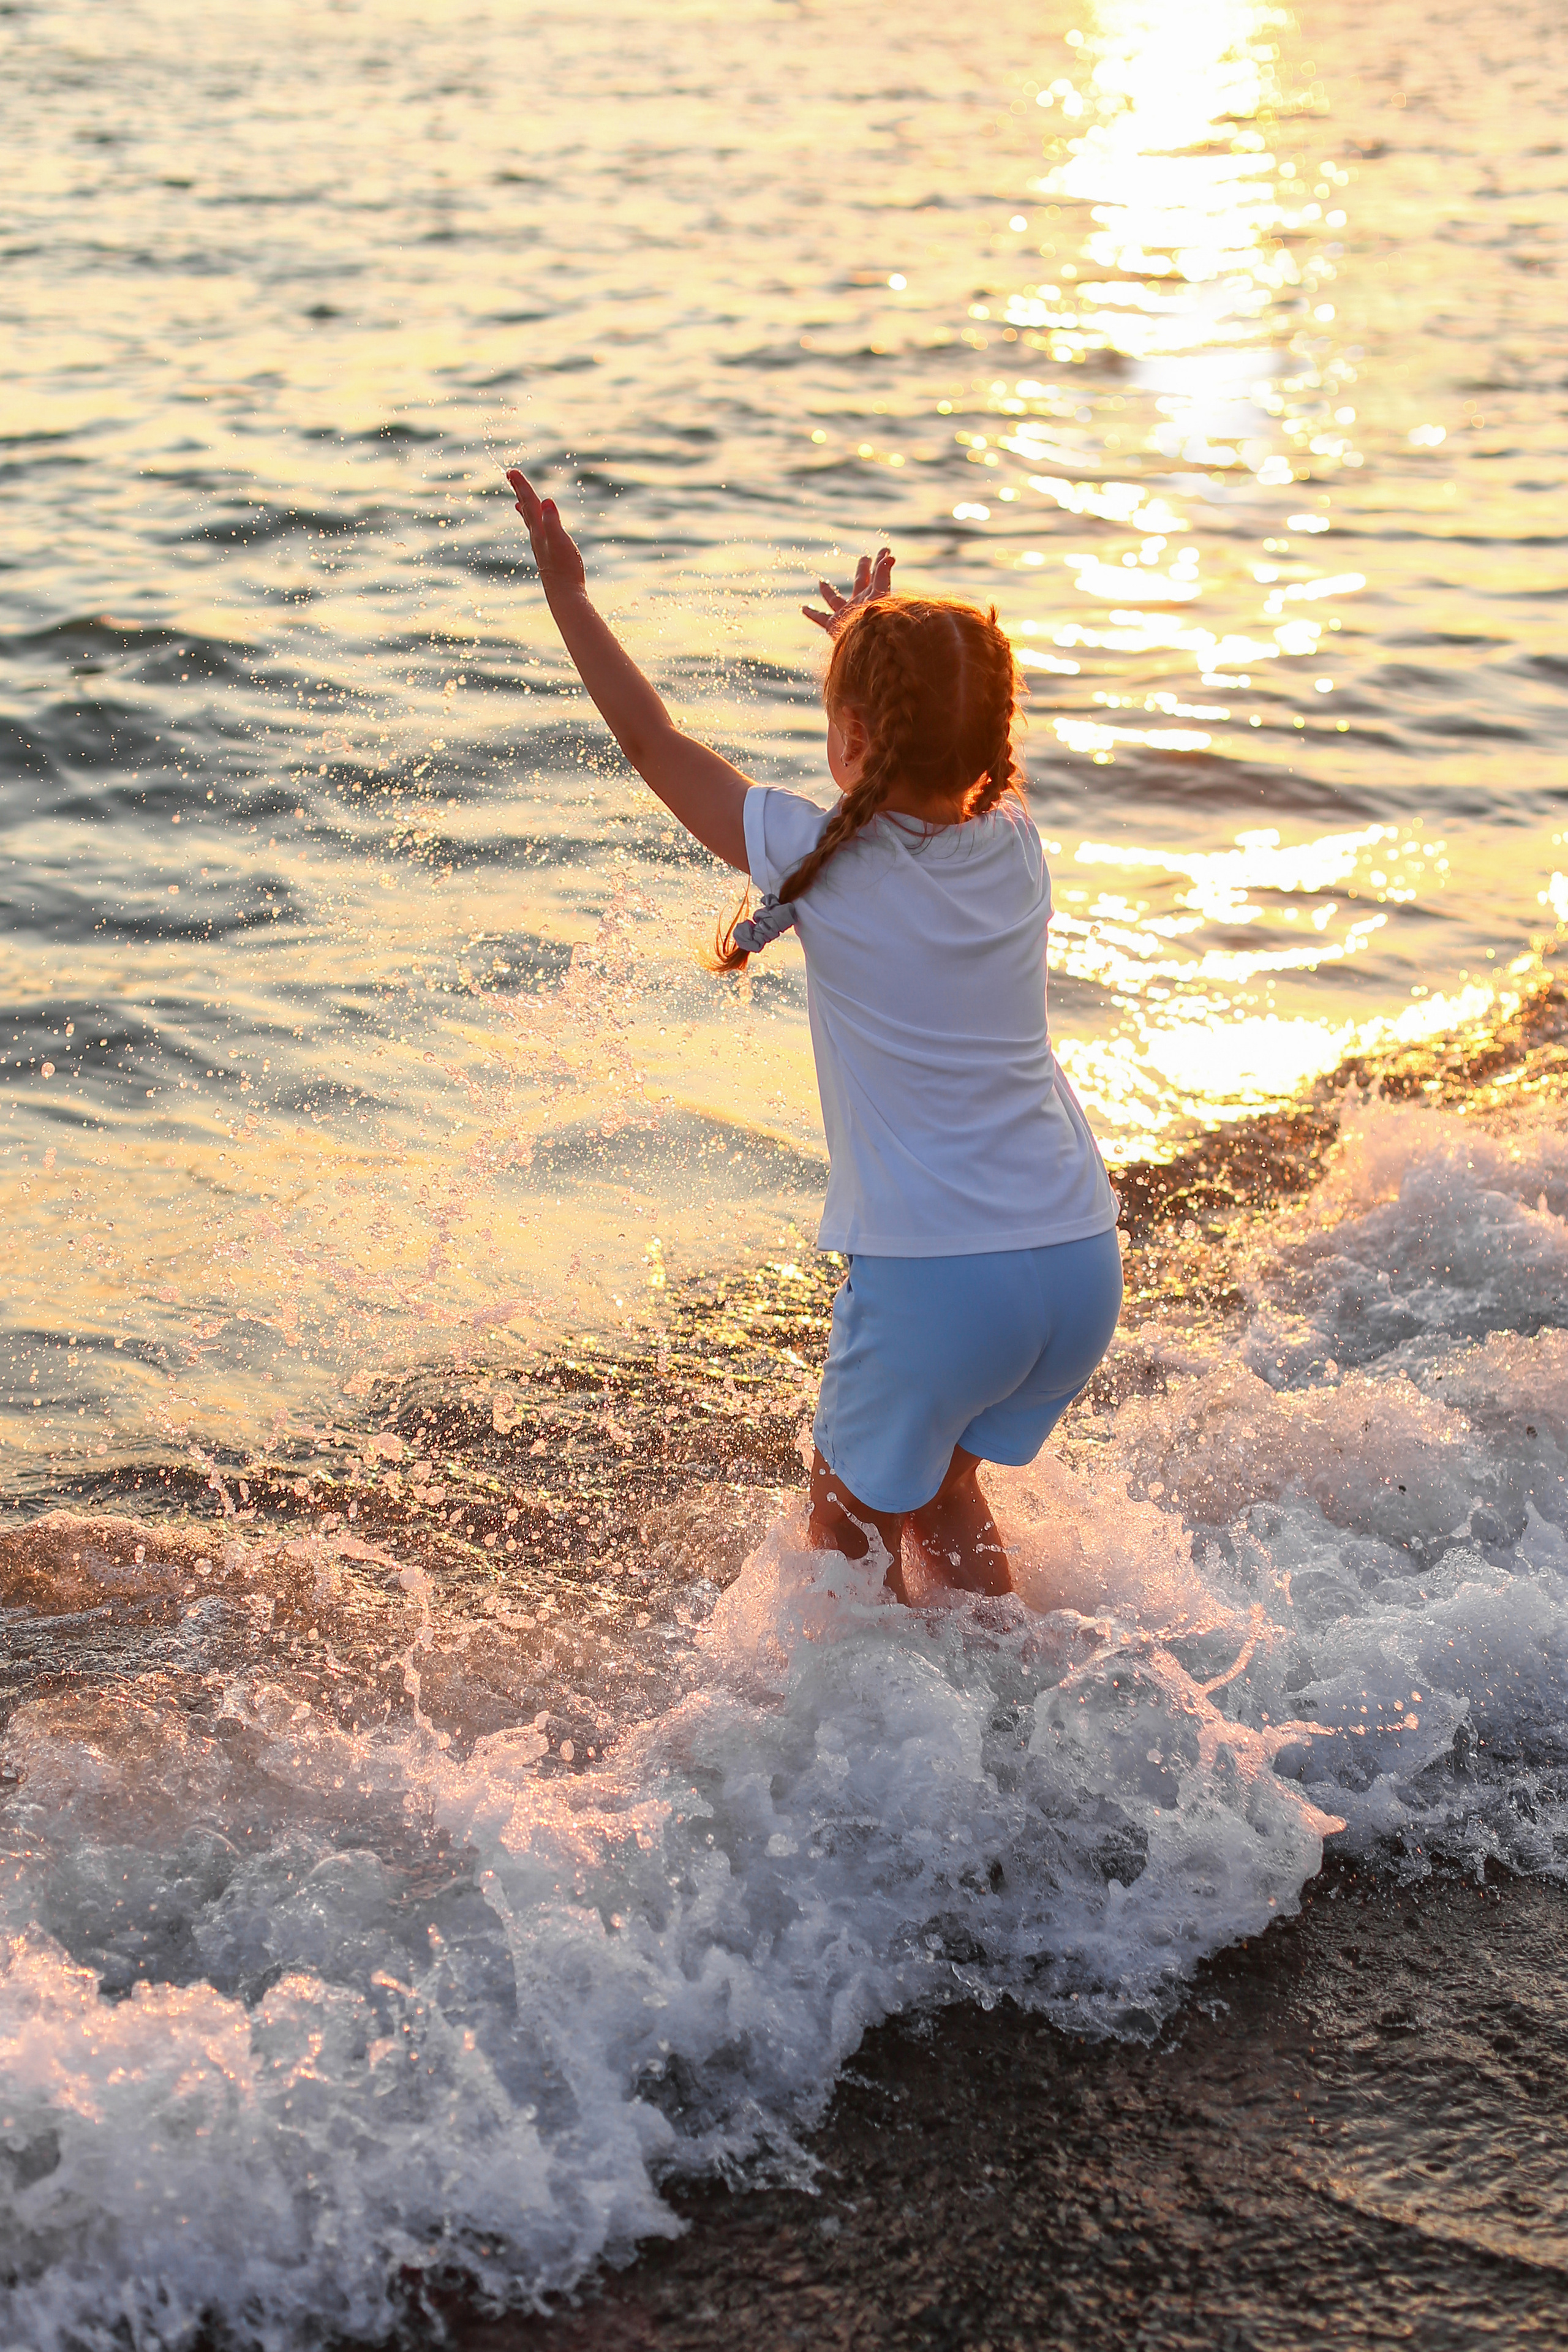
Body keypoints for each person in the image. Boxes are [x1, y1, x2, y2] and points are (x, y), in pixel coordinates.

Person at [506, 467, 1121, 1604]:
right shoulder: (1018, 844)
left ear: (855, 737)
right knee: (943, 1489)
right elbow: (928, 759)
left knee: (845, 1537)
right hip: (1076, 1258)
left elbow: (651, 741)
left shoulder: (812, 855)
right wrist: (875, 657)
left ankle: (877, 1724)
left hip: (941, 1277)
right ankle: (1020, 1688)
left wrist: (569, 599)